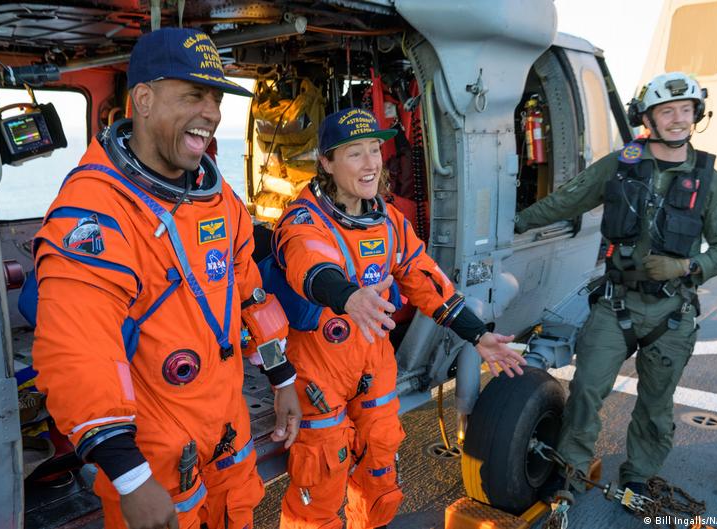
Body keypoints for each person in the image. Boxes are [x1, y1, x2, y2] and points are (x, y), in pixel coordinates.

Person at [30, 28, 301, 529]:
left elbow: (251, 296)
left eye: (216, 99)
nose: (212, 113)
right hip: (153, 454)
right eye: (194, 95)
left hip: (229, 430)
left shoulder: (220, 199)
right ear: (144, 100)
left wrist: (282, 378)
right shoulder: (94, 211)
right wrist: (131, 478)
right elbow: (78, 351)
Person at [270, 108, 527, 529]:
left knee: (380, 462)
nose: (370, 163)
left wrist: (478, 335)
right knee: (322, 475)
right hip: (320, 370)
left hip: (374, 365)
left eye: (375, 149)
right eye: (355, 153)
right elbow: (309, 262)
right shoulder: (302, 220)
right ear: (327, 162)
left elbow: (426, 280)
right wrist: (348, 296)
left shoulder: (388, 221)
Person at [515, 72, 717, 500]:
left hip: (671, 311)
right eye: (667, 111)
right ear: (648, 118)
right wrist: (518, 222)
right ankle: (571, 472)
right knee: (586, 391)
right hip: (616, 304)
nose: (678, 119)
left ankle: (639, 474)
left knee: (656, 404)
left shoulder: (710, 180)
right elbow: (569, 199)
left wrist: (686, 266)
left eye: (686, 110)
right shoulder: (621, 165)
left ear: (698, 114)